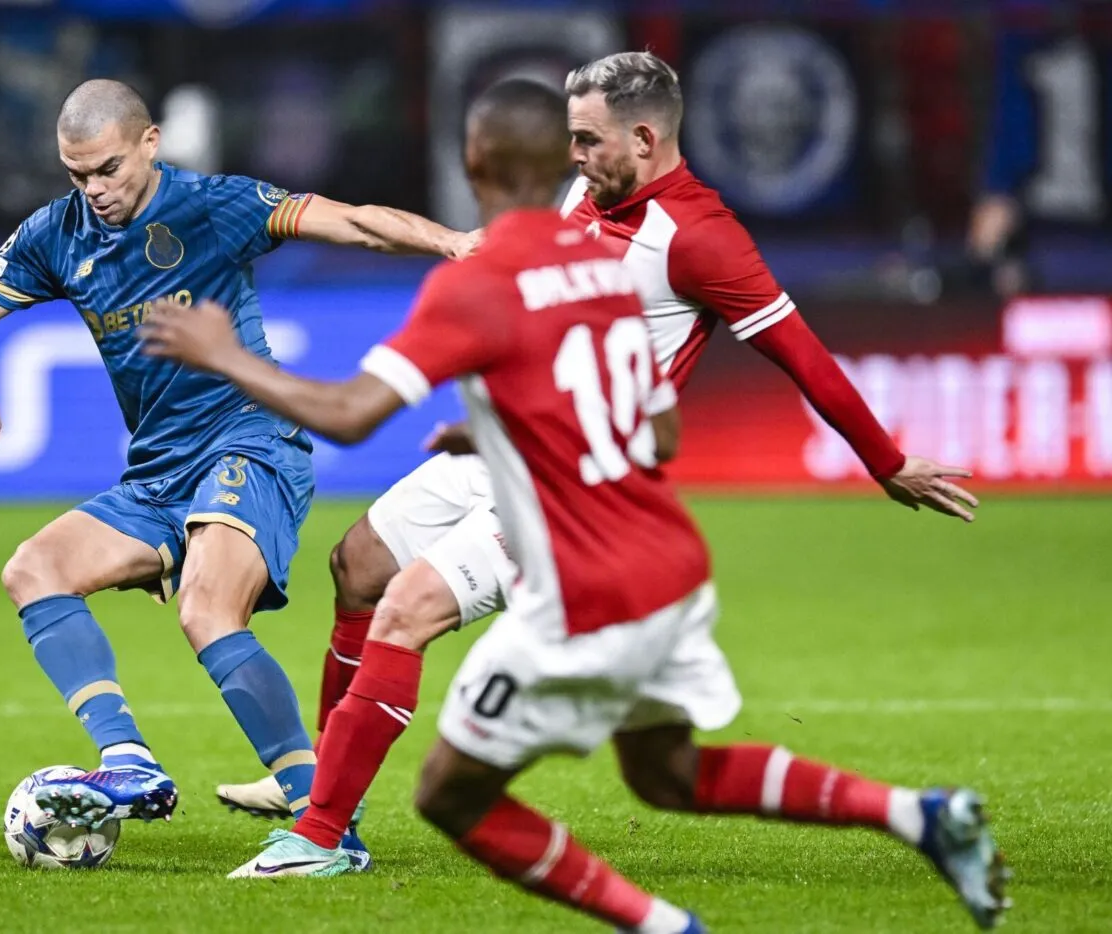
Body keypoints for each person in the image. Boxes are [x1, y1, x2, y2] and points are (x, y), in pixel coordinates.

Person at [140, 77, 1008, 930]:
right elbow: (650, 422)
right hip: (548, 468)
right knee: (363, 567)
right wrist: (512, 423)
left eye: (591, 141)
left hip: (569, 504)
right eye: (570, 141)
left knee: (411, 618)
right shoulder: (585, 233)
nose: (578, 157)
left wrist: (224, 353)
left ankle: (322, 828)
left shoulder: (690, 239)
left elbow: (352, 415)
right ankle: (328, 786)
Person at [0, 79, 476, 851]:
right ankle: (128, 762)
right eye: (77, 174)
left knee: (207, 609)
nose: (95, 191)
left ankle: (325, 818)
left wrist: (450, 243)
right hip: (157, 471)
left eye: (108, 169)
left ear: (150, 143)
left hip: (251, 440)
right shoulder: (55, 234)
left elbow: (350, 222)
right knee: (32, 569)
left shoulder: (215, 205)